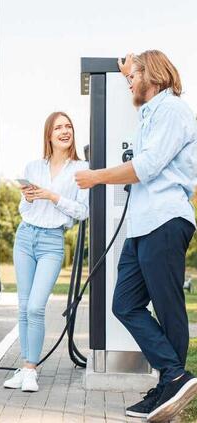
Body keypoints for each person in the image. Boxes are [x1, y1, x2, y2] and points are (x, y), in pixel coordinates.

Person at [76, 50, 197, 422]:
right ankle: (173, 377)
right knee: (124, 303)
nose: (128, 80)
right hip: (143, 223)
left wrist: (96, 176)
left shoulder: (173, 110)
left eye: (133, 75)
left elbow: (145, 166)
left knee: (167, 305)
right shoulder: (149, 114)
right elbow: (141, 161)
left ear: (154, 73)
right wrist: (129, 65)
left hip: (165, 218)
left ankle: (171, 382)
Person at [4, 111, 89, 392]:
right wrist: (28, 198)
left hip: (53, 240)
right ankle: (27, 366)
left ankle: (30, 370)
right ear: (49, 135)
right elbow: (23, 209)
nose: (65, 131)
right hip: (26, 236)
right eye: (58, 128)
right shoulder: (33, 167)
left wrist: (52, 196)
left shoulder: (81, 168)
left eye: (68, 127)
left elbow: (82, 212)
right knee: (24, 308)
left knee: (36, 306)